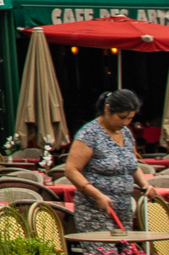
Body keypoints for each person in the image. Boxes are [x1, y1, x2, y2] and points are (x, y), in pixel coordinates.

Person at [63, 89, 153, 235]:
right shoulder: (89, 134)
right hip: (95, 210)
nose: (125, 122)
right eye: (121, 117)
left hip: (123, 209)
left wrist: (145, 184)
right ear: (107, 109)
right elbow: (71, 170)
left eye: (130, 118)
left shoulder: (126, 133)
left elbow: (131, 165)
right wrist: (97, 195)